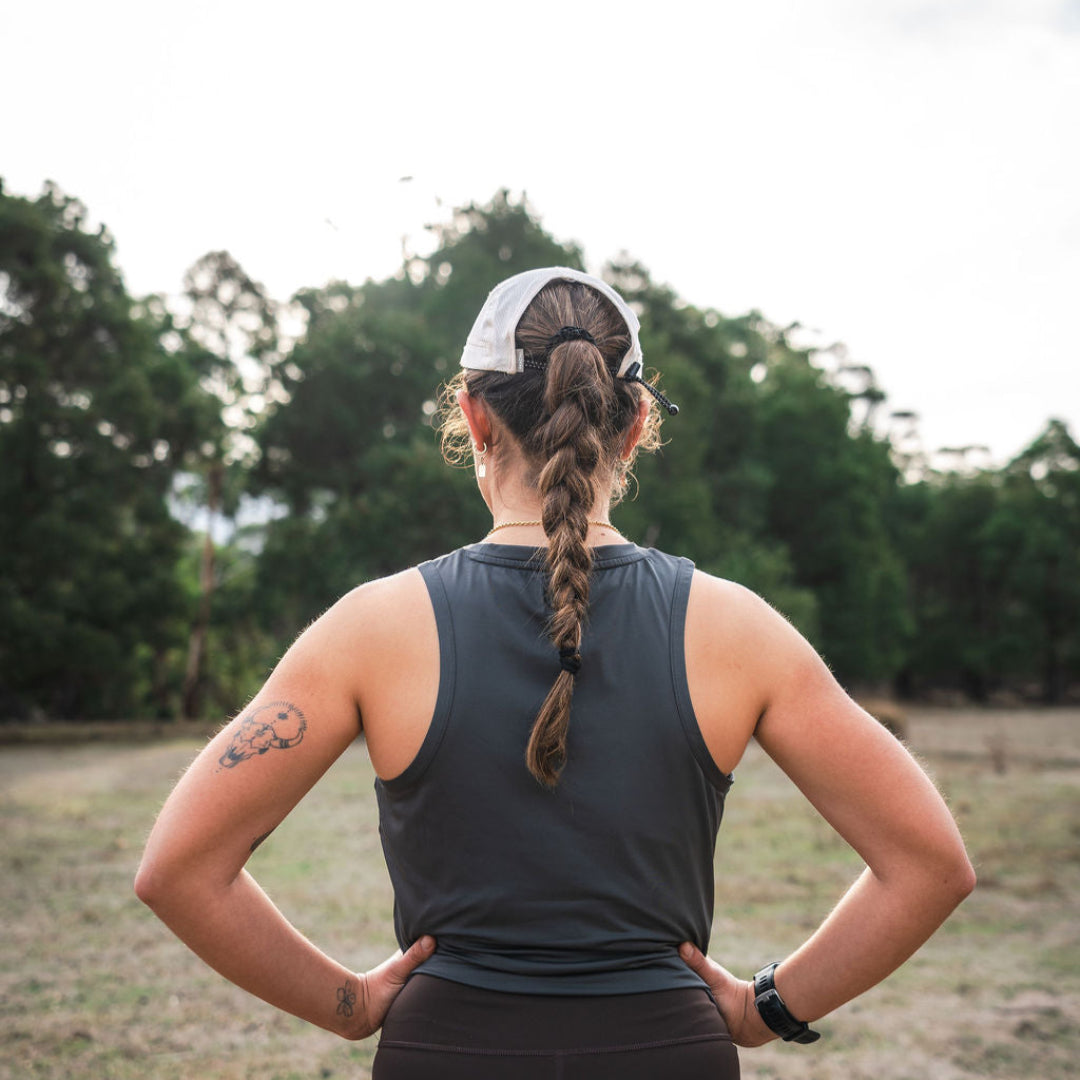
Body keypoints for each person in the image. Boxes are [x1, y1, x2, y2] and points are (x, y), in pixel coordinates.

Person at [135, 266, 976, 1079]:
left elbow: (179, 869)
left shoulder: (373, 627)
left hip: (447, 1055)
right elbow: (930, 863)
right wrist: (768, 1011)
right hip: (668, 1056)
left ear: (472, 417)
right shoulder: (734, 627)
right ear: (636, 423)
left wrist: (350, 1006)